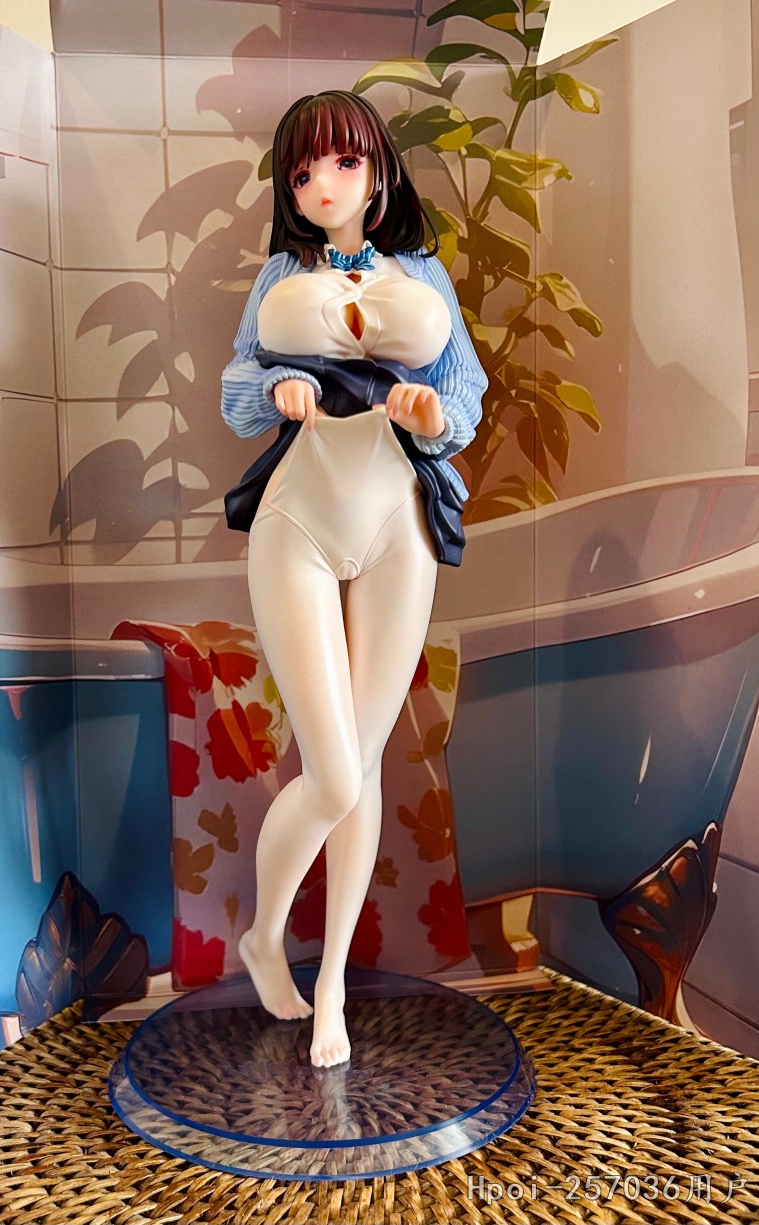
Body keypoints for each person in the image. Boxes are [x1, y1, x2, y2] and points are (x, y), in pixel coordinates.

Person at [219, 89, 487, 1068]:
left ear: (376, 170)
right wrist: (276, 386)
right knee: (332, 771)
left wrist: (435, 420)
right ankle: (263, 936)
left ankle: (328, 980)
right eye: (301, 173)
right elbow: (235, 391)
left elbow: (465, 387)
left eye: (340, 163)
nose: (321, 185)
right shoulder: (280, 275)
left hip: (396, 524)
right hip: (296, 520)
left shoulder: (422, 273)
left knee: (361, 767)